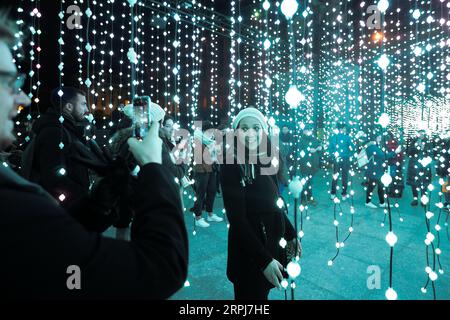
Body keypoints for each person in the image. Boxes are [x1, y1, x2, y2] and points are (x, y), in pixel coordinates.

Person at [0, 12, 188, 298]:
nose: (23, 98)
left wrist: (100, 200)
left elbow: (64, 241)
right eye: (9, 82)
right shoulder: (14, 198)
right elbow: (161, 267)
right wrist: (155, 168)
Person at [220, 107, 300, 300]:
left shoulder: (266, 159)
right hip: (249, 252)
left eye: (256, 127)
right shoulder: (231, 163)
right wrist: (263, 260)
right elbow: (237, 219)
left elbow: (275, 202)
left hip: (270, 243)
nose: (250, 133)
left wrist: (291, 234)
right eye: (244, 128)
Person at [191, 121, 223, 228]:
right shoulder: (198, 140)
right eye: (209, 132)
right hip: (201, 170)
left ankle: (210, 213)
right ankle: (198, 217)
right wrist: (212, 150)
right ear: (203, 131)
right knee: (200, 193)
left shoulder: (210, 141)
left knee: (212, 191)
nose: (211, 134)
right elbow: (199, 157)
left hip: (211, 170)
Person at [364, 134, 401, 208]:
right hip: (374, 170)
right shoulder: (372, 147)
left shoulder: (374, 146)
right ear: (374, 138)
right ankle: (368, 202)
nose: (380, 139)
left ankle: (382, 202)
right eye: (379, 137)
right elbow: (383, 156)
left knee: (380, 186)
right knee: (372, 186)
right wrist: (395, 152)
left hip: (376, 170)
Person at [328, 122, 355, 200]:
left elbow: (330, 148)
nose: (345, 130)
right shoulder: (347, 137)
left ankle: (333, 193)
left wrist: (333, 154)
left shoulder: (334, 137)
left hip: (337, 159)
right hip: (345, 159)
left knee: (335, 176)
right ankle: (343, 194)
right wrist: (349, 155)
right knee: (344, 177)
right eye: (344, 128)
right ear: (342, 129)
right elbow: (352, 148)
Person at [406, 129, 432, 206]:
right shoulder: (414, 142)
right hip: (414, 167)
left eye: (422, 134)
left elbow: (431, 153)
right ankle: (415, 199)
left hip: (424, 167)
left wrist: (424, 148)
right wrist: (415, 146)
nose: (421, 135)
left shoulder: (428, 142)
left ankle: (423, 200)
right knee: (414, 184)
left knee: (424, 184)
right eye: (419, 134)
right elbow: (408, 153)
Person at [298, 123, 322, 206]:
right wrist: (308, 151)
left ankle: (309, 197)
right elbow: (299, 152)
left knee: (310, 183)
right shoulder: (301, 140)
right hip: (304, 165)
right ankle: (303, 199)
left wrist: (319, 148)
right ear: (304, 131)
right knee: (304, 183)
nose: (309, 132)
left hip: (313, 165)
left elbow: (319, 146)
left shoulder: (314, 139)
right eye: (307, 130)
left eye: (310, 130)